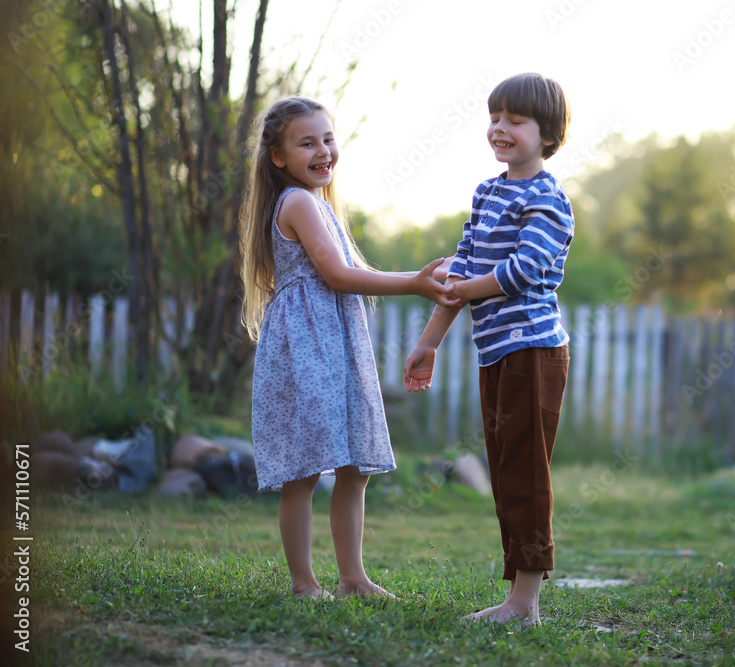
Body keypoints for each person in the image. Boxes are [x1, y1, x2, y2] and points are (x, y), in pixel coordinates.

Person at [239, 96, 458, 599]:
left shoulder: (316, 203)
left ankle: (353, 578)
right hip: (306, 349)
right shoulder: (296, 202)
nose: (323, 151)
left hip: (335, 346)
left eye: (328, 139)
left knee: (355, 467)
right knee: (303, 469)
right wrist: (415, 282)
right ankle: (303, 582)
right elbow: (337, 276)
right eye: (307, 142)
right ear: (279, 156)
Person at [403, 73, 573, 626]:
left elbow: (522, 272)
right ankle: (517, 599)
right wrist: (429, 342)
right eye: (495, 116)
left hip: (533, 353)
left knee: (524, 471)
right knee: (504, 470)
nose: (500, 128)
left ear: (548, 135)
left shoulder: (549, 199)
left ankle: (524, 604)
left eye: (515, 120)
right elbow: (461, 268)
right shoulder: (487, 192)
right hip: (496, 353)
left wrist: (464, 285)